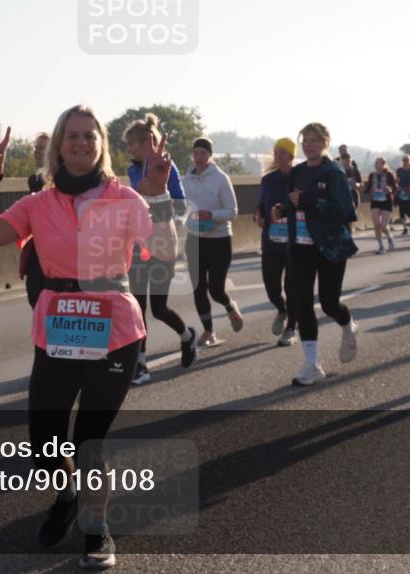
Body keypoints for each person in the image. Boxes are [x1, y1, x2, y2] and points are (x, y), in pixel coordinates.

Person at [0, 105, 178, 570]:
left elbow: (164, 252)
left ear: (101, 145)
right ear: (59, 147)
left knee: (89, 441)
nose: (81, 142)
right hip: (58, 328)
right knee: (45, 443)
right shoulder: (39, 203)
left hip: (115, 330)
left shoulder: (125, 198)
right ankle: (67, 493)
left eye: (89, 135)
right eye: (72, 136)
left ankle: (96, 530)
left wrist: (159, 196)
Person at [271, 123, 358, 386]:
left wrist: (312, 202)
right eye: (305, 140)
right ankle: (312, 364)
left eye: (314, 140)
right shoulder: (297, 172)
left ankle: (348, 325)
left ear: (325, 143)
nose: (309, 145)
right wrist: (282, 209)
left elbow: (346, 210)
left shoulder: (333, 173)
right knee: (302, 303)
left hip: (329, 246)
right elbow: (294, 201)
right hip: (300, 247)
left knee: (330, 303)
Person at [124, 114, 196, 385]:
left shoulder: (169, 167)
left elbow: (179, 203)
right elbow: (139, 193)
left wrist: (170, 212)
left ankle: (187, 335)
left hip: (163, 243)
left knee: (159, 308)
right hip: (140, 244)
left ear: (147, 141)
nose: (129, 149)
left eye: (132, 143)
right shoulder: (134, 168)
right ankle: (140, 366)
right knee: (137, 307)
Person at [182, 137, 243, 347]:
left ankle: (229, 305)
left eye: (203, 153)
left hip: (219, 239)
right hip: (195, 239)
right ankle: (209, 331)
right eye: (196, 152)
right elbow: (181, 208)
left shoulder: (220, 178)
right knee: (198, 287)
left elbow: (232, 211)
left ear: (210, 155)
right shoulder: (185, 179)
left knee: (216, 288)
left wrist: (211, 214)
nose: (199, 157)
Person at [254, 138, 298, 346]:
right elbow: (261, 205)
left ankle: (291, 329)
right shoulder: (268, 180)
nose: (279, 156)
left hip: (294, 241)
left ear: (291, 155)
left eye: (283, 152)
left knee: (292, 286)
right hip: (271, 240)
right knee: (271, 286)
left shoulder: (299, 178)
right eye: (276, 152)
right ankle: (282, 310)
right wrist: (259, 215)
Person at [20, 133, 51, 309]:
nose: (36, 152)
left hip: (57, 252)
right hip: (36, 248)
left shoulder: (64, 181)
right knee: (35, 297)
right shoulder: (34, 180)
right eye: (36, 148)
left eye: (42, 148)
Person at [365, 156, 398, 254]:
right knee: (376, 225)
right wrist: (369, 190)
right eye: (376, 163)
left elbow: (395, 188)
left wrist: (390, 189)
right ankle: (381, 246)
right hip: (375, 201)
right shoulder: (372, 175)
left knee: (383, 226)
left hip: (386, 201)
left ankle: (389, 237)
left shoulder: (389, 175)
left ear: (384, 164)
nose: (377, 164)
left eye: (379, 163)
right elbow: (368, 188)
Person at [339, 153, 362, 234]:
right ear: (341, 161)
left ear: (351, 160)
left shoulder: (354, 170)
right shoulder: (339, 170)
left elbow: (360, 182)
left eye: (348, 160)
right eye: (345, 160)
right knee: (343, 216)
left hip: (353, 195)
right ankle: (347, 232)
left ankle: (349, 234)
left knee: (350, 217)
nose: (347, 162)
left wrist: (357, 184)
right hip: (342, 196)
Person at [395, 154, 410, 234]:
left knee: (408, 210)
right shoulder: (399, 170)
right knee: (401, 211)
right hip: (402, 192)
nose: (405, 162)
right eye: (404, 160)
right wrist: (398, 186)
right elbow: (397, 181)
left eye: (407, 160)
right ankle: (405, 228)